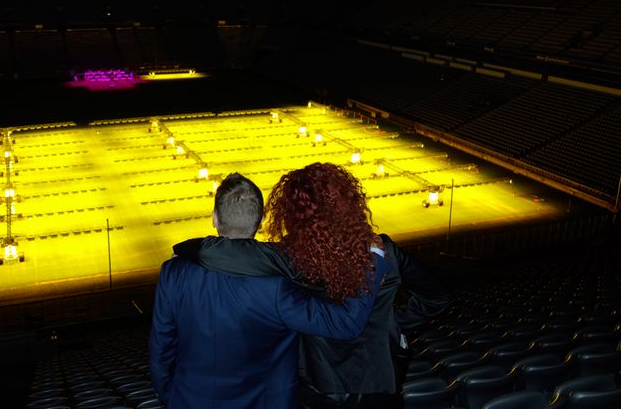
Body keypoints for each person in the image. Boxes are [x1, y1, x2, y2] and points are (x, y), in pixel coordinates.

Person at [175, 162, 451, 408]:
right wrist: (395, 324)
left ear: (293, 216)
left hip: (319, 383)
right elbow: (438, 296)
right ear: (347, 204)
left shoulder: (291, 258)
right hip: (380, 380)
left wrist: (186, 247)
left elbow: (218, 252)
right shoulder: (385, 252)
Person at [149, 172, 390, 409]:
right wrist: (374, 256)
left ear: (214, 218)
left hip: (187, 400)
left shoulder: (173, 272)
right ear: (262, 219)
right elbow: (345, 323)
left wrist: (169, 394)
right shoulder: (277, 286)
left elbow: (161, 346)